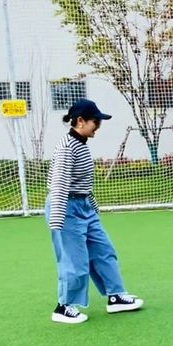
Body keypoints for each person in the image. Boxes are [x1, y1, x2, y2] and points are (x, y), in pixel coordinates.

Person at [45, 99, 144, 324]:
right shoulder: (66, 147)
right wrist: (58, 220)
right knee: (75, 261)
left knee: (104, 251)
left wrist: (92, 209)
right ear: (80, 121)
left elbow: (83, 183)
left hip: (83, 208)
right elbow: (59, 184)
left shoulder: (80, 144)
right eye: (95, 122)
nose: (98, 126)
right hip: (66, 209)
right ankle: (63, 307)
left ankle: (116, 296)